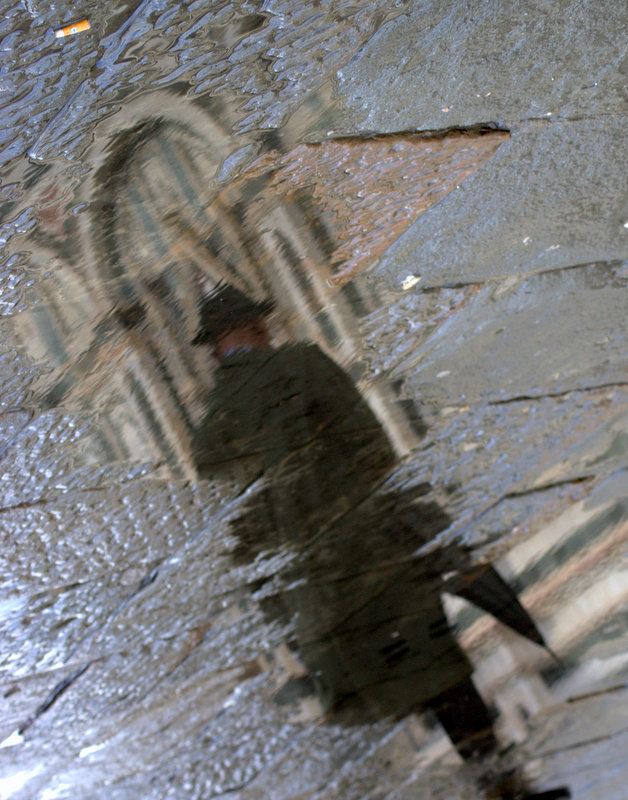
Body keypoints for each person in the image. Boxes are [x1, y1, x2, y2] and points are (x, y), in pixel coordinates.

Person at [192, 283, 570, 798]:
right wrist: (424, 526)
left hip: (315, 596)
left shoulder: (209, 434)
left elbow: (243, 541)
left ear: (213, 349)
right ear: (255, 326)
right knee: (443, 679)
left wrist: (287, 620)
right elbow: (372, 451)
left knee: (368, 705)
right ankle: (504, 787)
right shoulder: (301, 366)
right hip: (376, 558)